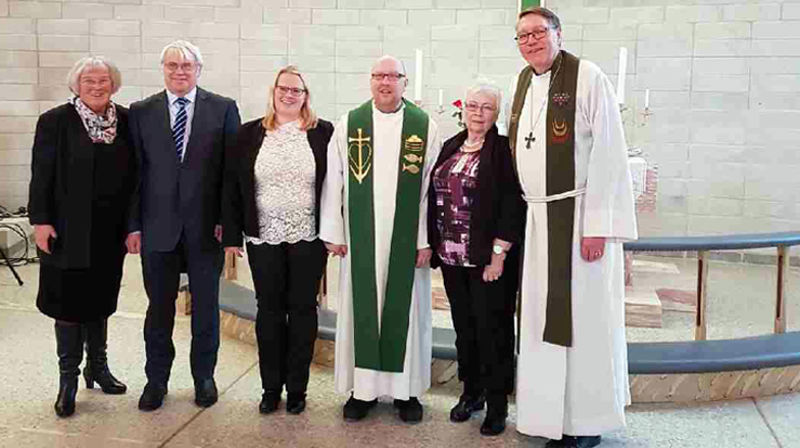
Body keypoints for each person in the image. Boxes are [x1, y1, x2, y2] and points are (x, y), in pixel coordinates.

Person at [502, 7, 638, 448]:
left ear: (559, 34)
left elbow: (610, 154)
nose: (531, 41)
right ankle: (546, 416)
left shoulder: (588, 77)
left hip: (577, 219)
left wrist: (598, 225)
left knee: (583, 320)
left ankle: (585, 422)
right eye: (522, 36)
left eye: (539, 32)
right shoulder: (522, 82)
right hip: (538, 220)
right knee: (541, 320)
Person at [319, 55, 441, 423]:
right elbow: (335, 179)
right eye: (378, 76)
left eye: (393, 76)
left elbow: (428, 190)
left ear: (405, 82)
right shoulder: (350, 124)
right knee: (362, 309)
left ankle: (407, 393)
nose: (385, 82)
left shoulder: (424, 127)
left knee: (408, 312)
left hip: (407, 241)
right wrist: (335, 232)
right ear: (370, 81)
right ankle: (363, 390)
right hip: (361, 239)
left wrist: (423, 238)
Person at [126, 40, 241, 411]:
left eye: (187, 66)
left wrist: (229, 223)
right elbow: (134, 174)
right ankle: (156, 380)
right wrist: (133, 226)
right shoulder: (140, 112)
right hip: (157, 228)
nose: (179, 72)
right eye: (172, 65)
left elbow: (231, 174)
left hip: (207, 229)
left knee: (206, 308)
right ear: (163, 69)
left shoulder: (222, 109)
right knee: (158, 309)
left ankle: (204, 377)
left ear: (198, 70)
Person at [222, 65, 333, 415]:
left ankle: (297, 388)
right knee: (269, 310)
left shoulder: (323, 133)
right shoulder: (249, 133)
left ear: (306, 96)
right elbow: (232, 188)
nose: (289, 94)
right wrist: (231, 234)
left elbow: (337, 186)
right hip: (263, 235)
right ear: (273, 92)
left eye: (297, 90)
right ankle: (271, 388)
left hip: (309, 236)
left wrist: (336, 232)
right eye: (283, 88)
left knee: (302, 309)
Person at [28, 56, 134, 417]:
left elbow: (135, 178)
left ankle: (98, 367)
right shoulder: (55, 121)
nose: (97, 86)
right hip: (66, 232)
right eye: (89, 80)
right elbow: (41, 175)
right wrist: (40, 221)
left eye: (103, 80)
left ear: (113, 84)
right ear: (76, 84)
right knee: (69, 306)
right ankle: (68, 378)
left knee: (100, 301)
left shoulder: (127, 121)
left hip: (108, 233)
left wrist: (133, 225)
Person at [427, 82, 524, 436]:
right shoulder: (451, 144)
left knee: (494, 330)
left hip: (488, 261)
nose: (477, 113)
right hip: (452, 257)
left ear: (496, 114)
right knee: (465, 329)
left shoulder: (502, 150)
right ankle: (471, 392)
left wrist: (498, 255)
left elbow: (513, 205)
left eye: (486, 107)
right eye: (472, 106)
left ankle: (497, 404)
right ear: (463, 109)